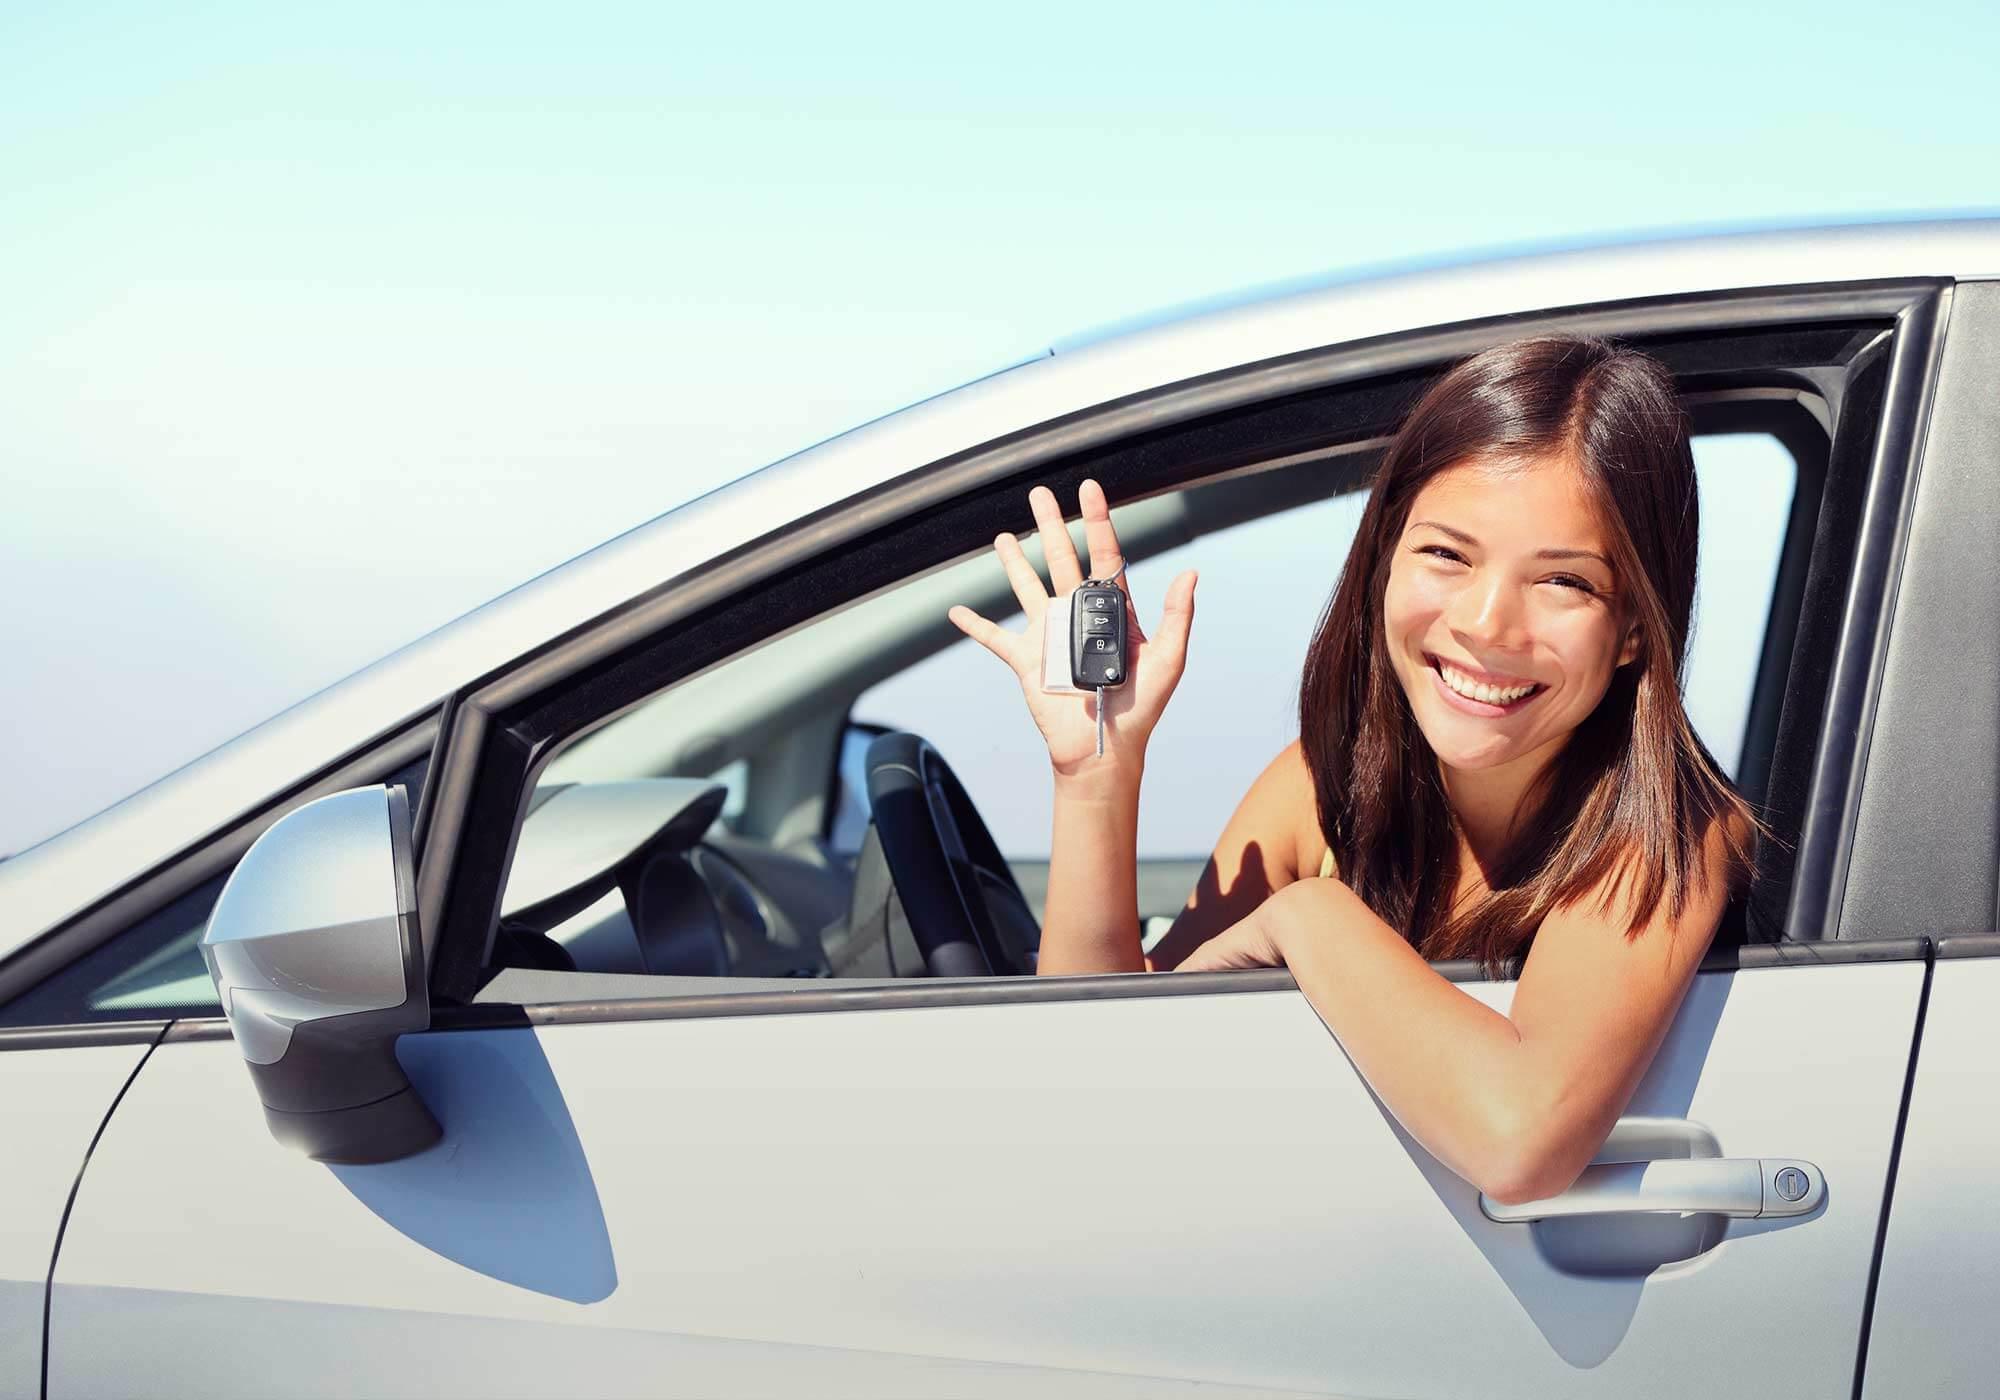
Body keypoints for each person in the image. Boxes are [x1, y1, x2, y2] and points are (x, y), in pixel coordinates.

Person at [945, 335, 1756, 1206]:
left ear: (1635, 628)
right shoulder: (1321, 788)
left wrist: (1307, 916)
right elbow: (1100, 1062)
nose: (1488, 624)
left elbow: (1522, 1140)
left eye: (1562, 581)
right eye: (1447, 555)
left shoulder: (1673, 831)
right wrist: (1097, 776)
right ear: (1383, 563)